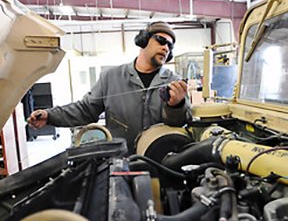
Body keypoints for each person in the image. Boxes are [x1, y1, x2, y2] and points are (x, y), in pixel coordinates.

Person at [28, 21, 190, 154]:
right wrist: (50, 116)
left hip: (159, 160)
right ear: (143, 40)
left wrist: (176, 106)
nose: (166, 47)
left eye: (170, 45)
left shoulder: (173, 83)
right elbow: (85, 110)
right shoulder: (111, 77)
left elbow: (180, 123)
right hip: (120, 161)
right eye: (161, 41)